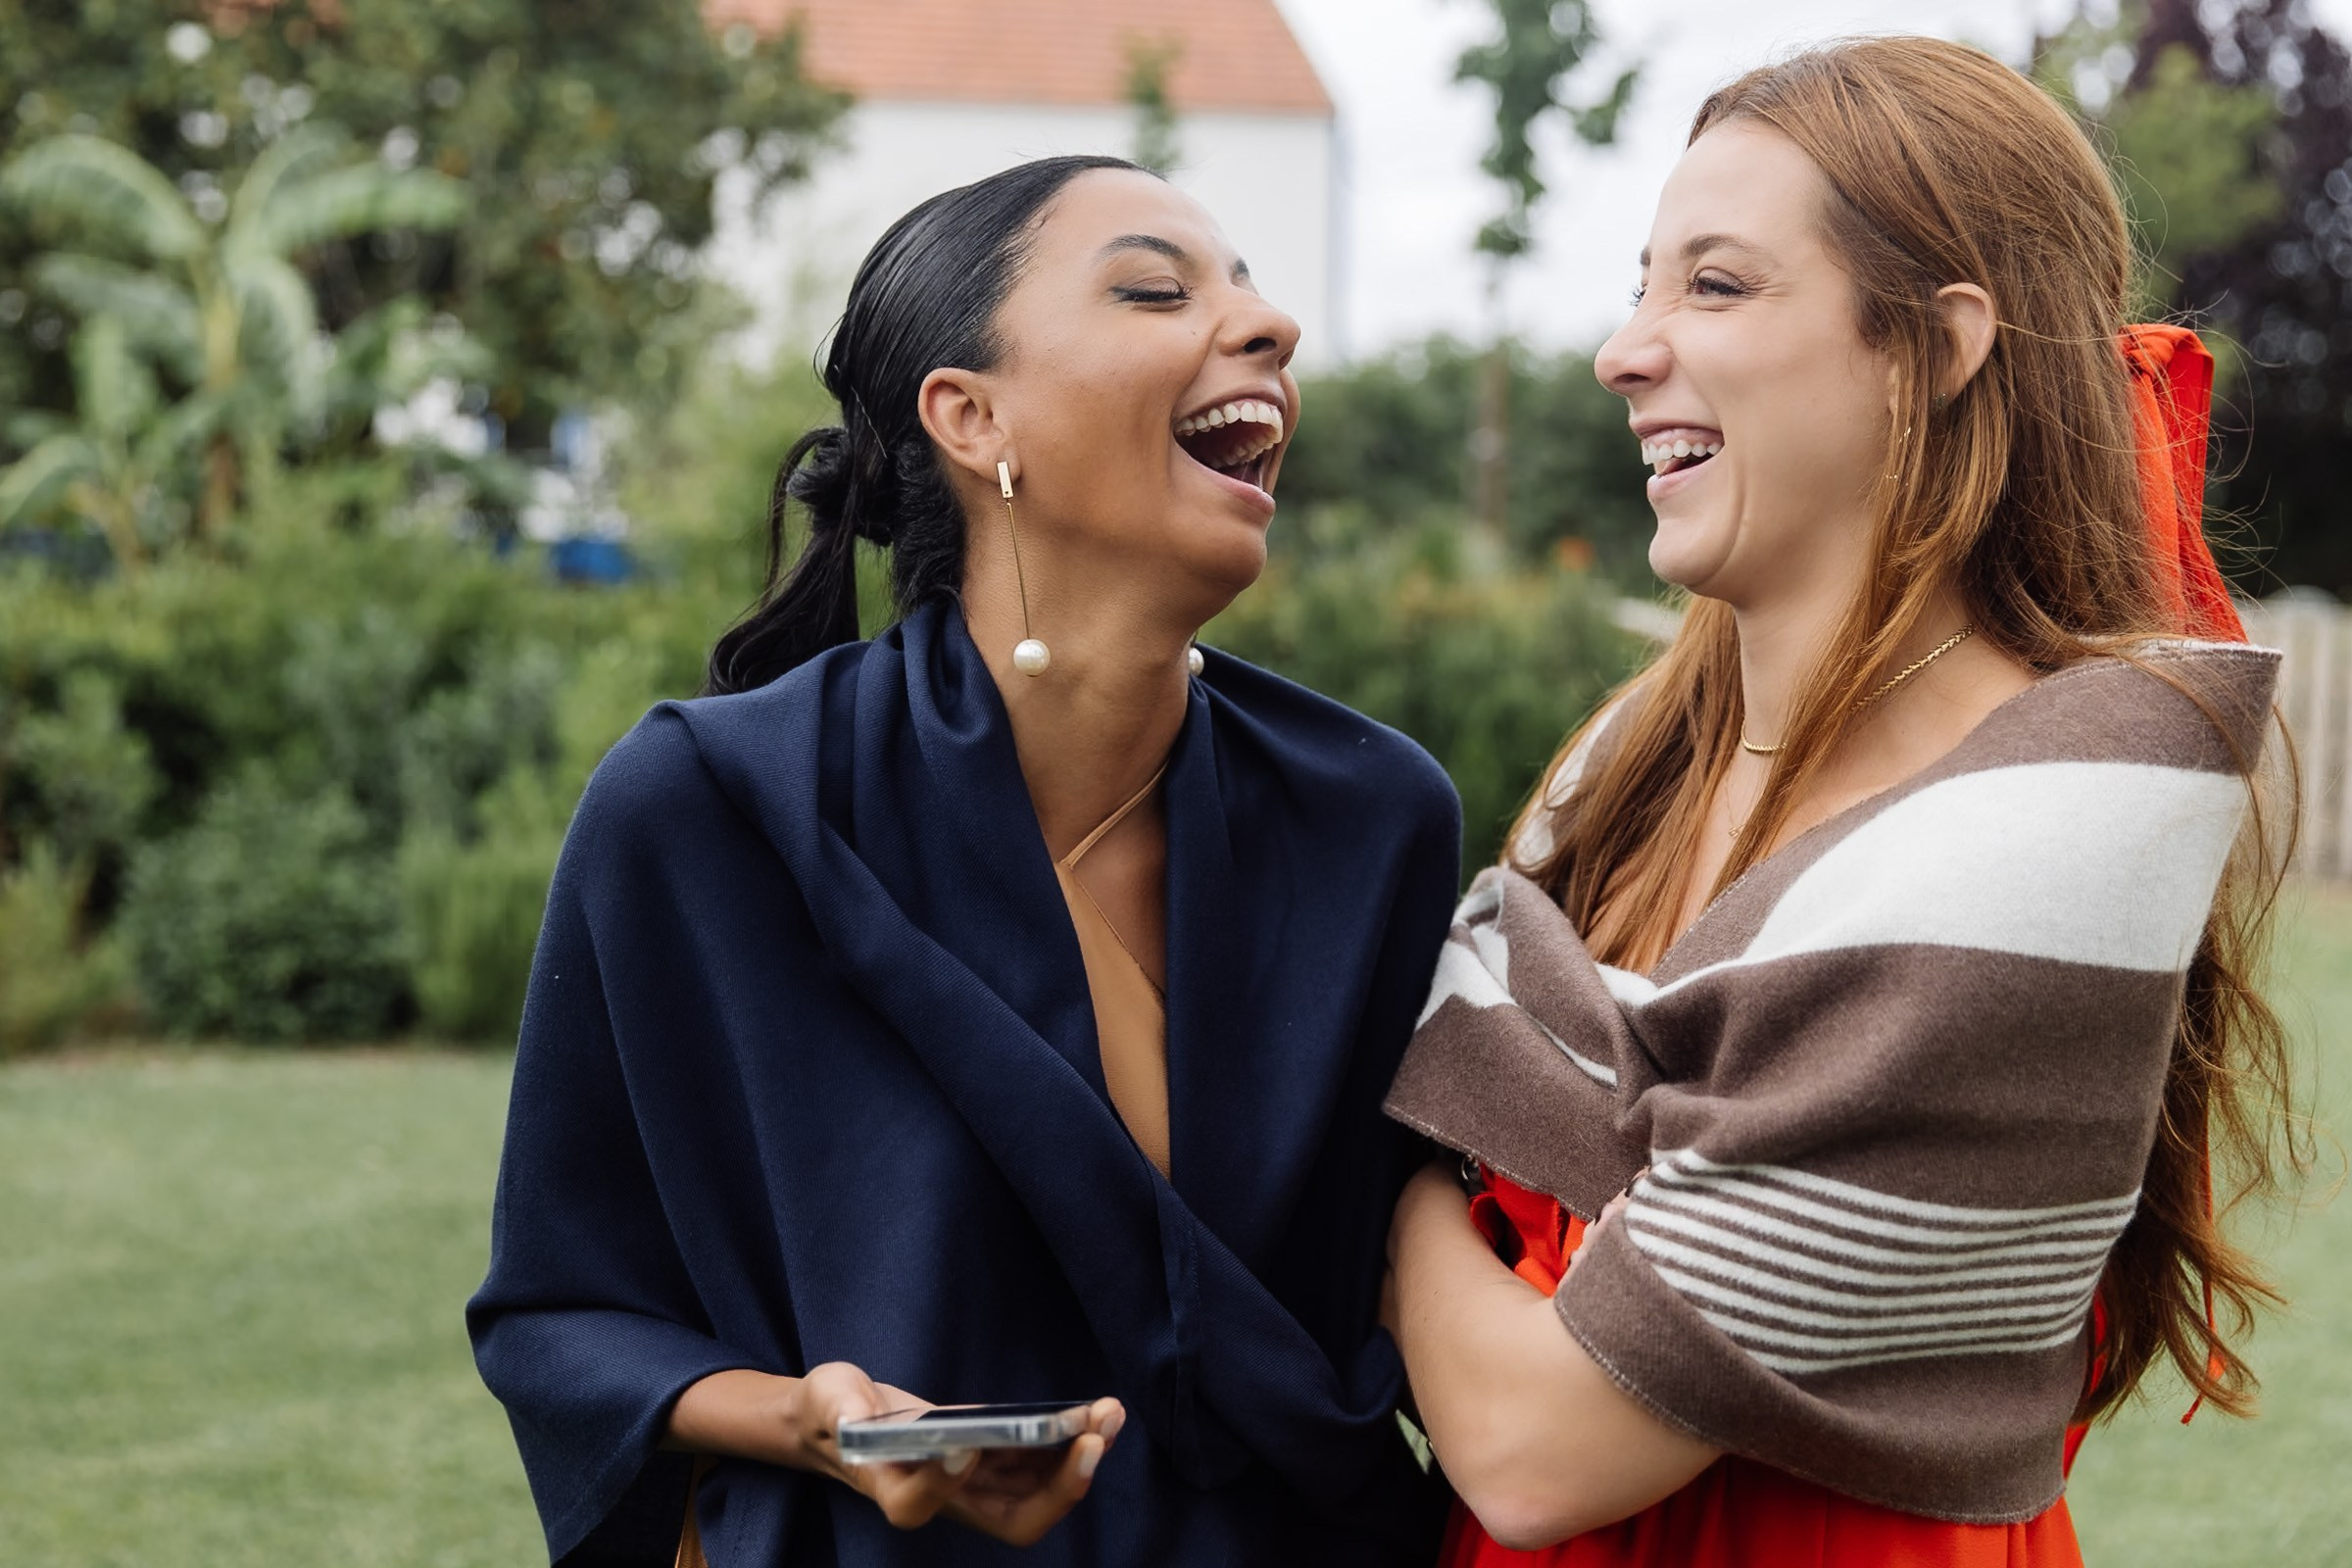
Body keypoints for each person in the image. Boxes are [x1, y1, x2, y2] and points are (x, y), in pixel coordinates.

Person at [1380, 36, 2296, 1567]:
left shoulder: (2033, 834)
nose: (1624, 350)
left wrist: (1389, 1171)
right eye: (1641, 285)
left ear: (1935, 347)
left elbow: (1539, 1448)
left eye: (1718, 287)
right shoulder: (1630, 762)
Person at [466, 156, 1461, 1565]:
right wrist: (811, 1423)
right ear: (969, 416)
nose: (1269, 327)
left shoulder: (1372, 820)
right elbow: (562, 1312)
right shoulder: (711, 813)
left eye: (1249, 287)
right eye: (1155, 290)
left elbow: (1413, 1289)